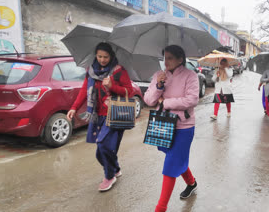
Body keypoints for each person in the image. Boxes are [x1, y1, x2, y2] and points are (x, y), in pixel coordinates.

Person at [67, 42, 133, 191]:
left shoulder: (119, 71)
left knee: (102, 146)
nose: (103, 60)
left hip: (115, 114)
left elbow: (130, 91)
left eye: (106, 57)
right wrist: (74, 108)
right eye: (100, 56)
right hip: (98, 115)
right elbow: (84, 90)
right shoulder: (91, 71)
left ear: (111, 56)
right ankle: (115, 168)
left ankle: (109, 176)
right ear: (95, 55)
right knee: (103, 149)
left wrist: (112, 87)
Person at [144, 45, 199, 212]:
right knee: (175, 159)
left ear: (180, 59)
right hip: (164, 123)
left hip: (184, 126)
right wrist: (159, 86)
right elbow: (148, 100)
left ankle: (160, 208)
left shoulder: (191, 76)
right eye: (164, 58)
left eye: (170, 58)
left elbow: (192, 99)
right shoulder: (159, 75)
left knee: (170, 164)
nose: (166, 62)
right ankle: (192, 183)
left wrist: (166, 103)